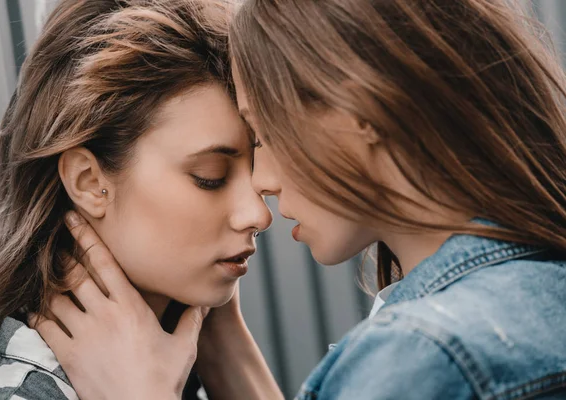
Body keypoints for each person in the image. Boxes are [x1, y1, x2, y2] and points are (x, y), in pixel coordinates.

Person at [35, 0, 566, 399]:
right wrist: (227, 345)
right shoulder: (534, 293)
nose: (261, 190)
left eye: (263, 135)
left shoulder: (424, 356)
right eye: (212, 174)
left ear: (356, 114)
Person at [0, 0, 272, 399]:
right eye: (209, 178)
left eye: (254, 169)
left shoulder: (178, 373)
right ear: (90, 181)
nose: (259, 215)